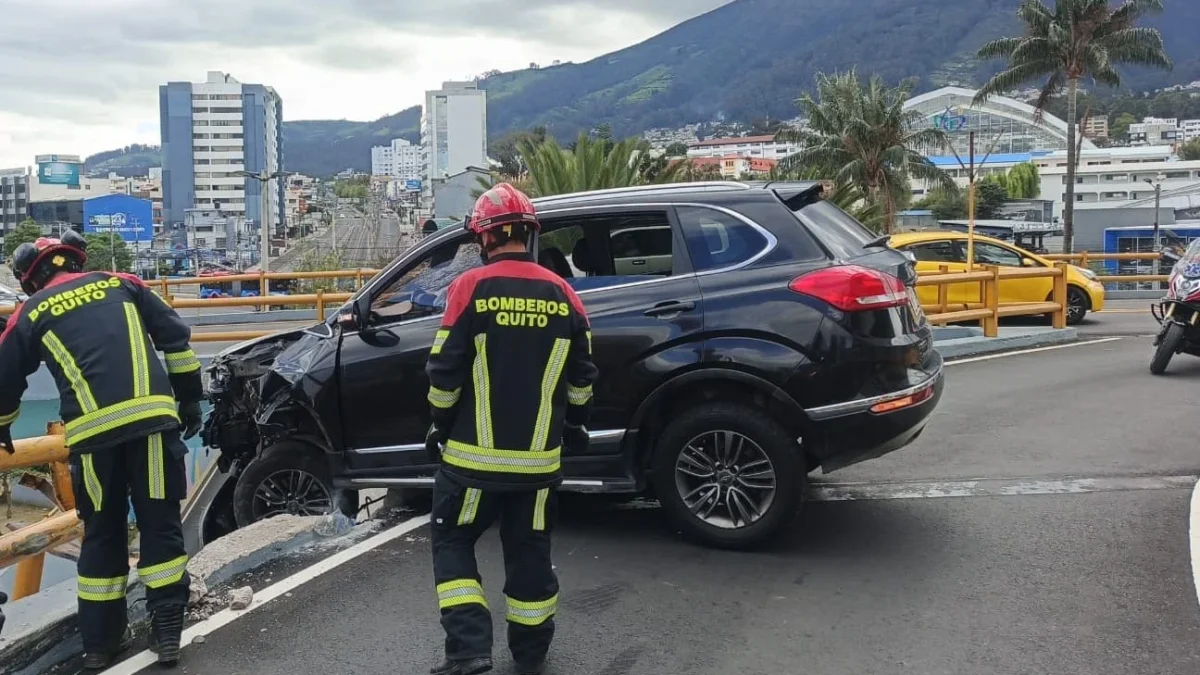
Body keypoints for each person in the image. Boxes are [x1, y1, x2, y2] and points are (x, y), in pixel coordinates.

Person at [0, 231, 203, 670]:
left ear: (30, 278)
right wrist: (189, 398)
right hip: (152, 425)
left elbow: (5, 376)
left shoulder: (31, 311)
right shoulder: (124, 283)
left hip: (93, 441)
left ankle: (98, 645)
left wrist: (3, 428)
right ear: (76, 260)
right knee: (159, 526)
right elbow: (176, 342)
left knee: (103, 535)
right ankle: (166, 632)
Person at [425, 184, 598, 675]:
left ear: (485, 238)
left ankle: (470, 651)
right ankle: (531, 653)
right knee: (529, 554)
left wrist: (439, 425)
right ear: (528, 234)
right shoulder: (565, 294)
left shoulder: (470, 288)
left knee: (453, 543)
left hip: (470, 466)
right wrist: (578, 425)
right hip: (539, 464)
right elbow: (583, 375)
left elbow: (443, 373)